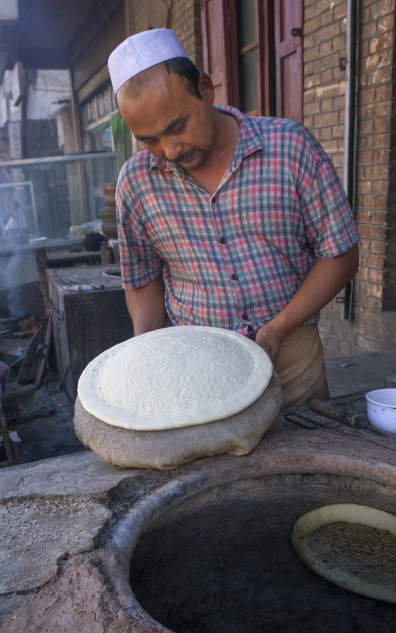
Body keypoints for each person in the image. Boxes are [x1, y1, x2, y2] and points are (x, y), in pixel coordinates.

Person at [108, 29, 359, 406]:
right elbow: (143, 282)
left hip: (291, 356)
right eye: (149, 140)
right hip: (192, 370)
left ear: (206, 89)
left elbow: (340, 255)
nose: (171, 149)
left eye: (178, 127)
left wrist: (278, 327)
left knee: (307, 455)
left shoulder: (290, 148)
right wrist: (149, 355)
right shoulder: (136, 182)